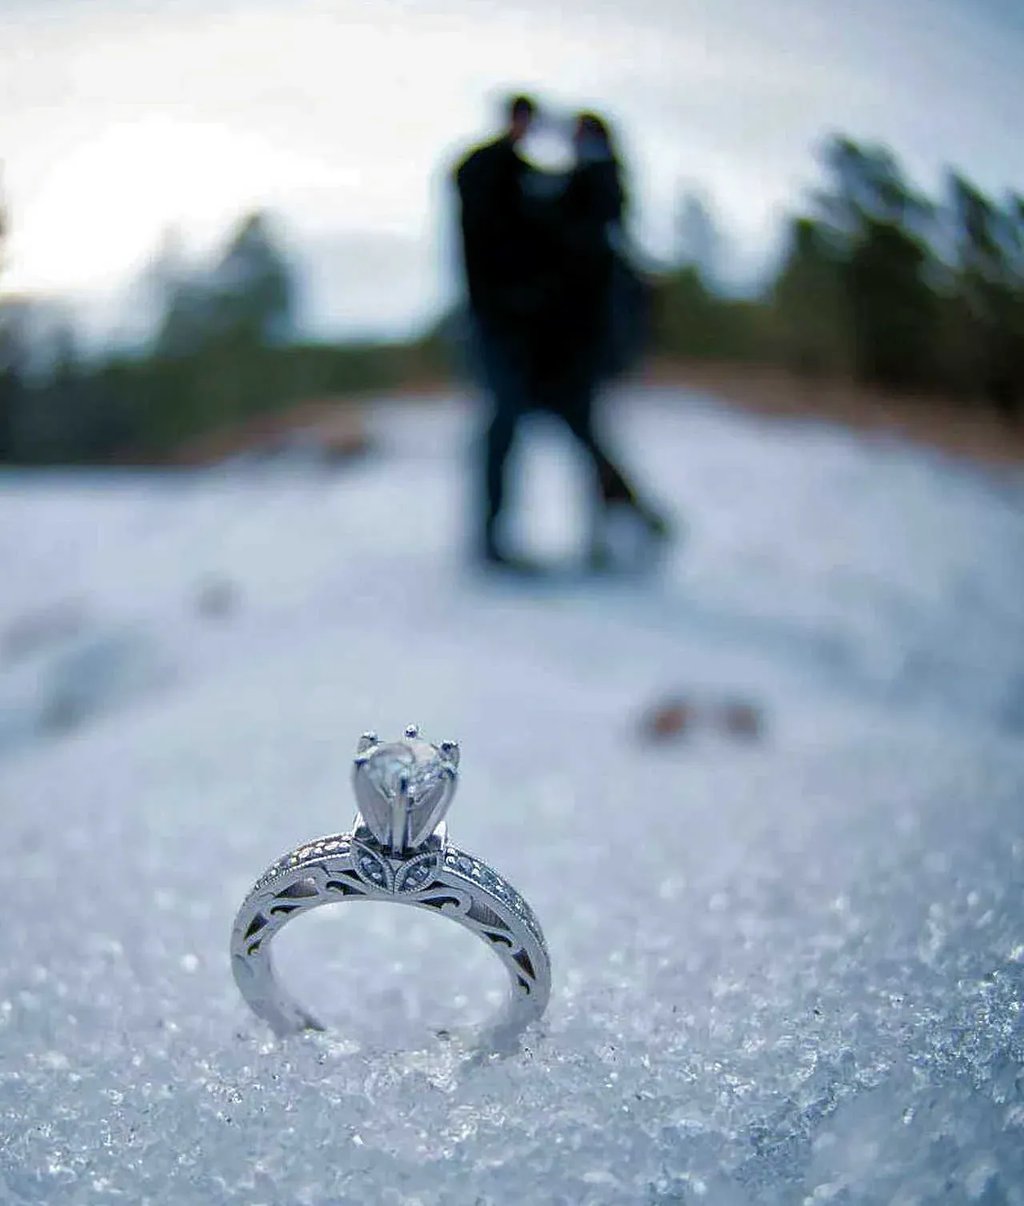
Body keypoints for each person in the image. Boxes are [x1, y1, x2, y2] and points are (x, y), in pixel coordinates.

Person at [537, 111, 671, 568]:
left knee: (588, 437)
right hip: (592, 339)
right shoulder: (603, 183)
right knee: (589, 438)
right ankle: (622, 525)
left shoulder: (596, 184)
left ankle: (619, 529)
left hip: (590, 341)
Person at [453, 94, 548, 570]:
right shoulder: (489, 170)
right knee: (502, 424)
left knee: (506, 426)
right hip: (496, 322)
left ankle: (493, 539)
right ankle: (490, 541)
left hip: (514, 326)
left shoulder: (509, 172)